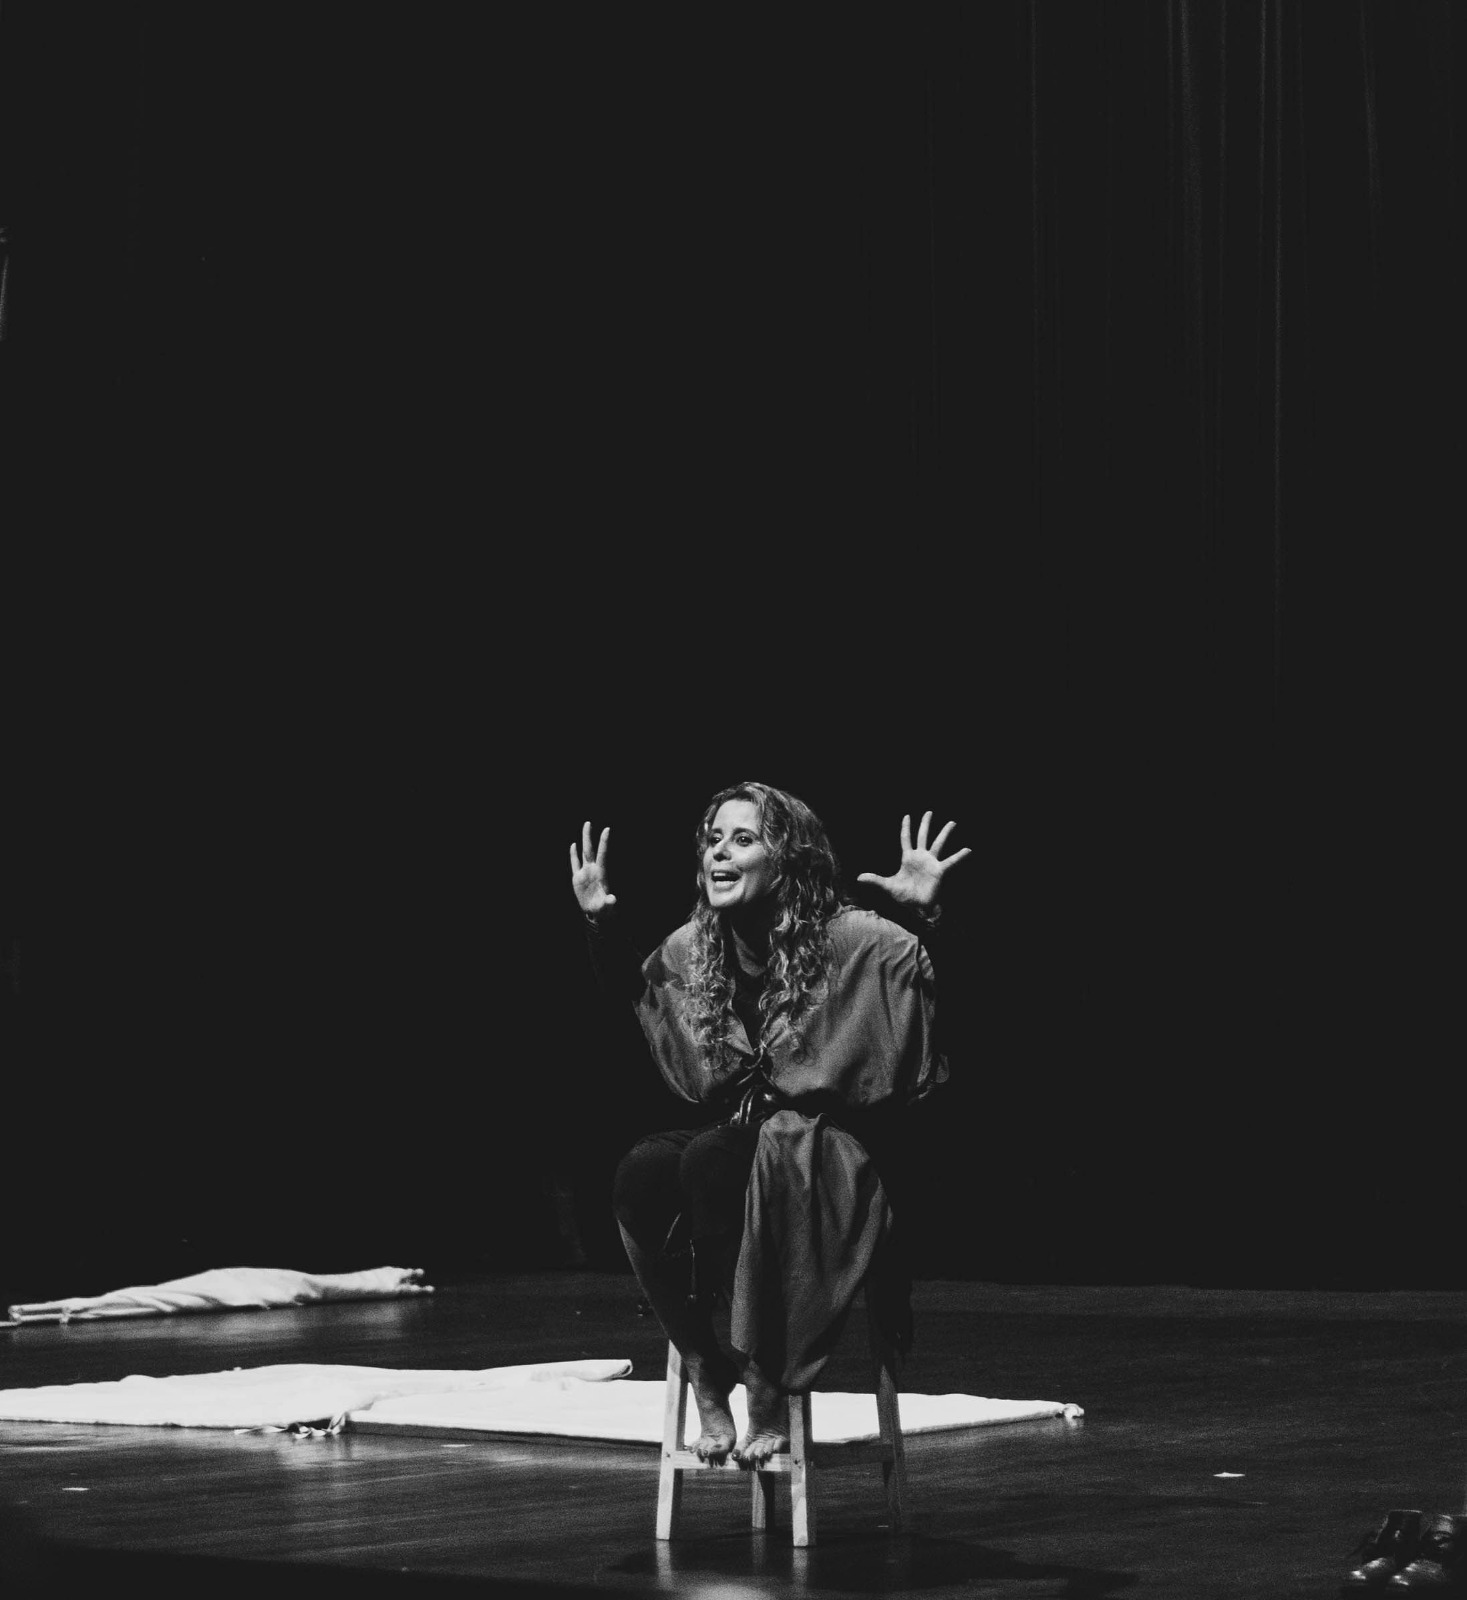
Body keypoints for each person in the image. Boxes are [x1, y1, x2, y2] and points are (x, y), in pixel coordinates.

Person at [569, 781, 968, 1467]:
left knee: (712, 1159)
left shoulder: (851, 937)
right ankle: (704, 1363)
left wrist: (926, 917)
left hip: (834, 1151)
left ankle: (763, 1376)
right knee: (642, 1170)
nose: (719, 853)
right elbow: (643, 998)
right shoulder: (698, 948)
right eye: (712, 841)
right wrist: (600, 927)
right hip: (743, 1138)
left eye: (742, 839)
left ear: (787, 858)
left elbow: (932, 999)